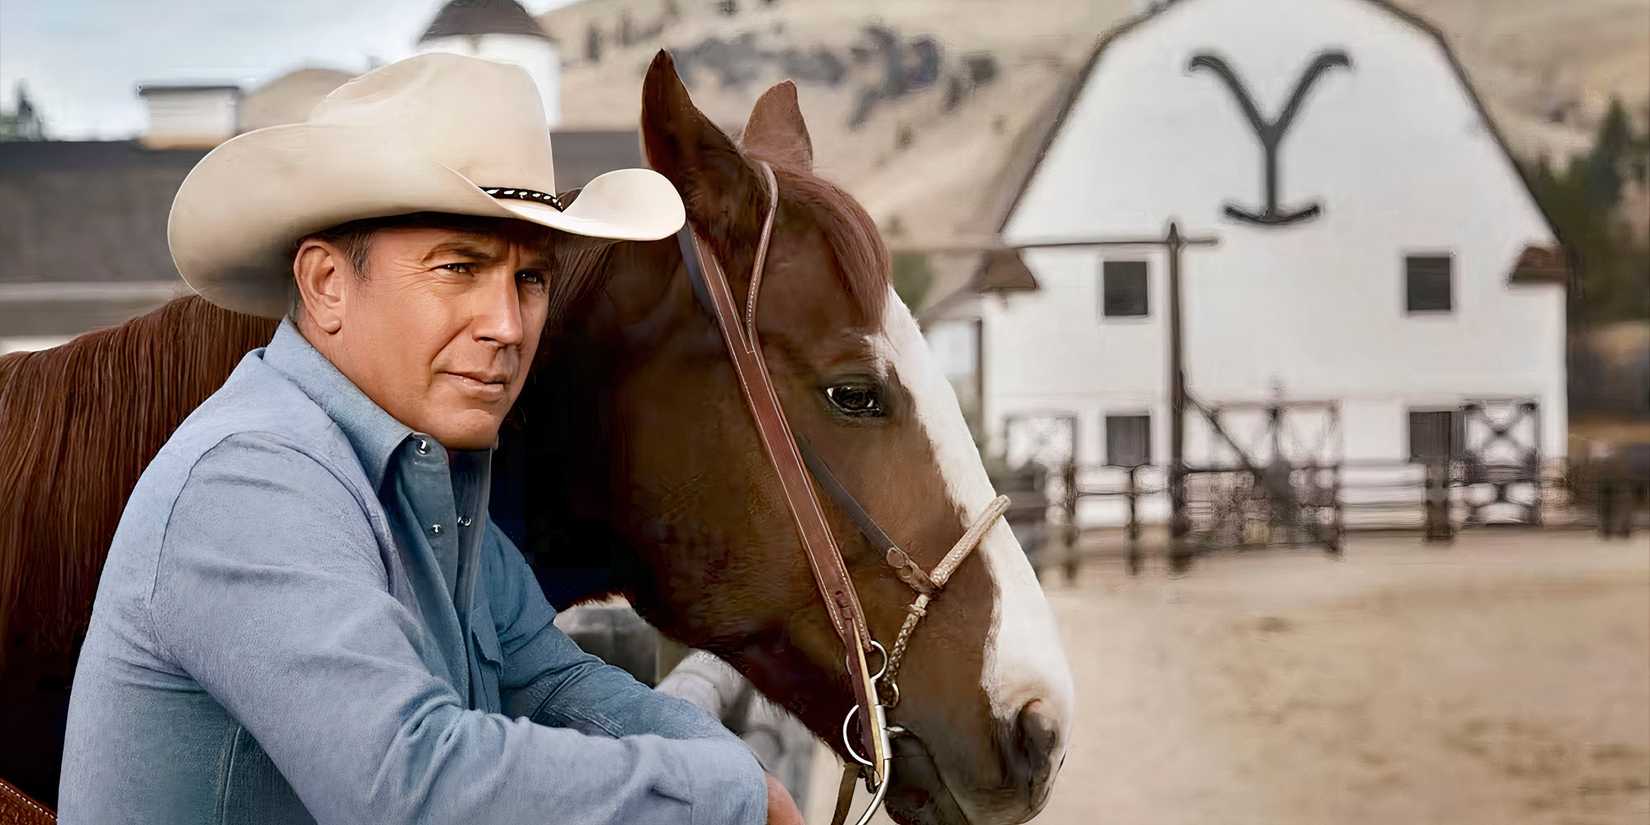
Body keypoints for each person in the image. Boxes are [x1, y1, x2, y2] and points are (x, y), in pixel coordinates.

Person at [58, 53, 802, 825]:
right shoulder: (250, 480)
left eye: (530, 279)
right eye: (458, 267)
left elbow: (554, 683)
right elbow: (413, 785)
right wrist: (729, 795)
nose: (508, 326)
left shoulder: (429, 478)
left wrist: (737, 772)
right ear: (326, 285)